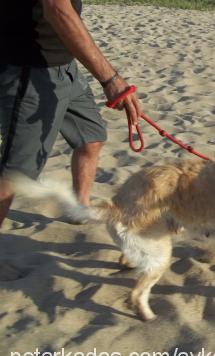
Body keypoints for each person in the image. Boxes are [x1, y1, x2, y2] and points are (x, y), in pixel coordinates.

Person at [0, 0, 141, 227]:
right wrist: (110, 79)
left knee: (91, 137)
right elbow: (57, 8)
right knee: (15, 174)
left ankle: (78, 209)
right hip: (31, 69)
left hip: (65, 66)